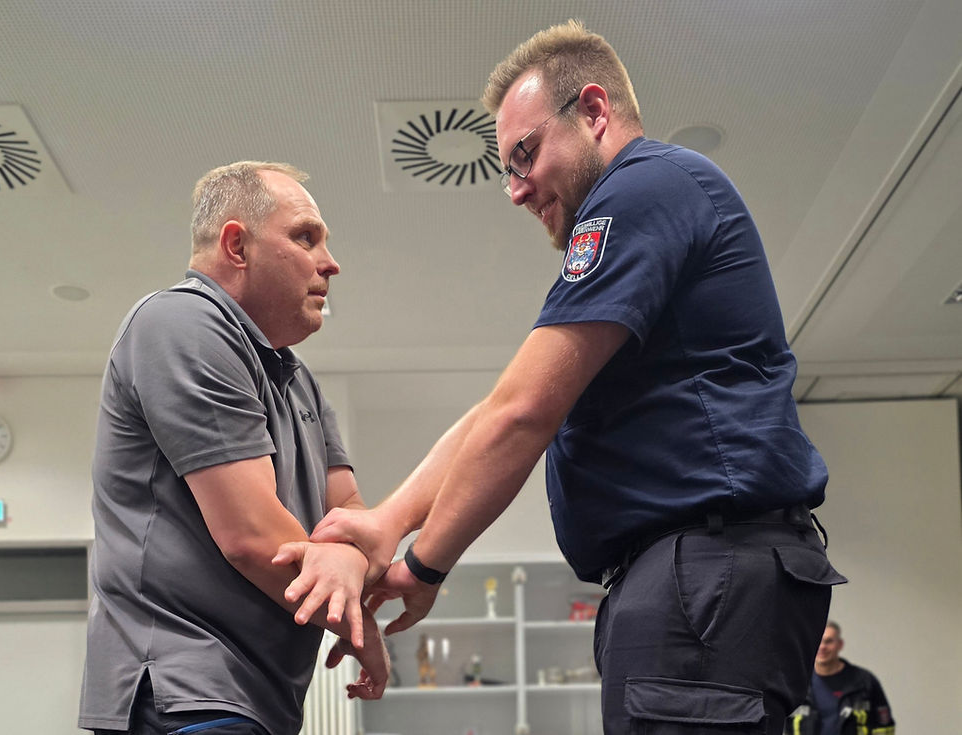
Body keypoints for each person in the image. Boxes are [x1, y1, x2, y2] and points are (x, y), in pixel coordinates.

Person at [278, 20, 846, 735]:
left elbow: (523, 414)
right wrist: (388, 521)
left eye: (526, 154)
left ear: (595, 111)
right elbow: (503, 407)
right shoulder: (648, 211)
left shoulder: (643, 189)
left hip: (706, 570)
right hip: (697, 573)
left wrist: (422, 565)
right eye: (508, 170)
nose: (517, 190)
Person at [78, 161, 389, 735]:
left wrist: (349, 558)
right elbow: (251, 535)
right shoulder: (180, 322)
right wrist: (358, 621)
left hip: (258, 699)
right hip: (186, 690)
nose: (330, 262)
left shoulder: (298, 379)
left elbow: (351, 515)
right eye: (305, 237)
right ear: (236, 246)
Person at [786, 622, 895, 735]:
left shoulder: (864, 681)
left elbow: (884, 727)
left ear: (840, 644)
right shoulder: (797, 683)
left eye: (828, 641)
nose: (822, 647)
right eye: (818, 641)